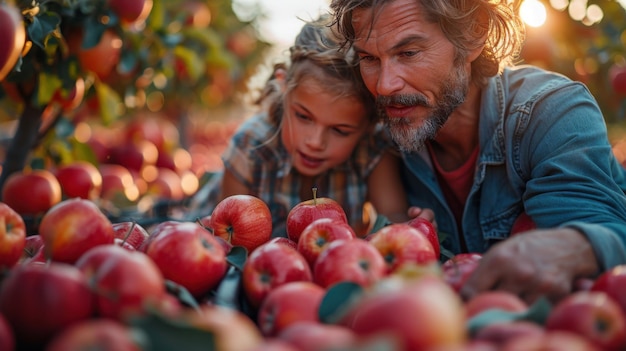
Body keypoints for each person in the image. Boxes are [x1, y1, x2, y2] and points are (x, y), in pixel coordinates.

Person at [329, 0, 626, 304]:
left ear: (473, 34)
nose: (384, 85)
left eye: (408, 53)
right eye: (368, 58)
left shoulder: (551, 112)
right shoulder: (384, 140)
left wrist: (572, 246)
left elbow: (607, 232)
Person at [196, 15, 412, 238]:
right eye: (303, 117)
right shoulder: (252, 145)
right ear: (283, 85)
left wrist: (411, 234)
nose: (315, 142)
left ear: (369, 124)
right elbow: (227, 240)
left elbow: (393, 217)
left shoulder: (372, 148)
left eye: (340, 130)